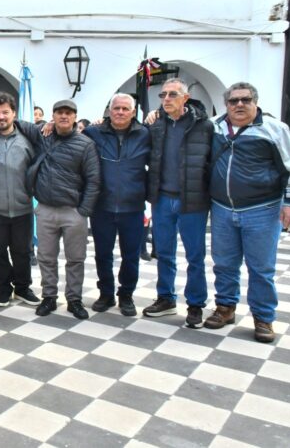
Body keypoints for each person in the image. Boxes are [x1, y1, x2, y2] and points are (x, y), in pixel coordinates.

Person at [204, 82, 290, 343]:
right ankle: (225, 308)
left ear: (255, 102)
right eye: (234, 101)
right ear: (226, 104)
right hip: (222, 209)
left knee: (261, 268)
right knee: (224, 264)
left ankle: (263, 317)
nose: (239, 105)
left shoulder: (275, 129)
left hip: (262, 210)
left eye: (246, 100)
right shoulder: (214, 126)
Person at [143, 78, 213, 329]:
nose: (166, 99)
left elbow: (213, 161)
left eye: (172, 94)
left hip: (192, 200)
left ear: (185, 98)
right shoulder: (156, 124)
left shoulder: (204, 126)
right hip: (162, 198)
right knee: (164, 252)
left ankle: (195, 304)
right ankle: (166, 298)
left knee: (195, 255)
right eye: (163, 95)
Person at [30, 99, 100, 320]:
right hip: (45, 209)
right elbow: (18, 125)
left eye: (68, 113)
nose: (63, 116)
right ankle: (49, 297)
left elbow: (94, 180)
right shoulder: (43, 138)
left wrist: (83, 211)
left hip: (73, 211)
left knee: (76, 259)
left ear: (74, 117)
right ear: (53, 116)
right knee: (46, 257)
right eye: (59, 112)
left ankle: (74, 299)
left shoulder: (85, 144)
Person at [84, 93, 150, 317]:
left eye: (125, 108)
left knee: (131, 255)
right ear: (109, 110)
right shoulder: (93, 132)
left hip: (133, 206)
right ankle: (106, 294)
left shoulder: (145, 134)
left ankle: (126, 295)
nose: (120, 112)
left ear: (133, 112)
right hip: (102, 206)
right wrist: (49, 124)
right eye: (116, 108)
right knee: (103, 254)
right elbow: (69, 136)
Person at [0, 93, 42, 307]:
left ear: (14, 113)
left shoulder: (27, 137)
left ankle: (23, 288)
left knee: (23, 251)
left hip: (22, 205)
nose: (1, 117)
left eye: (5, 112)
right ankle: (4, 289)